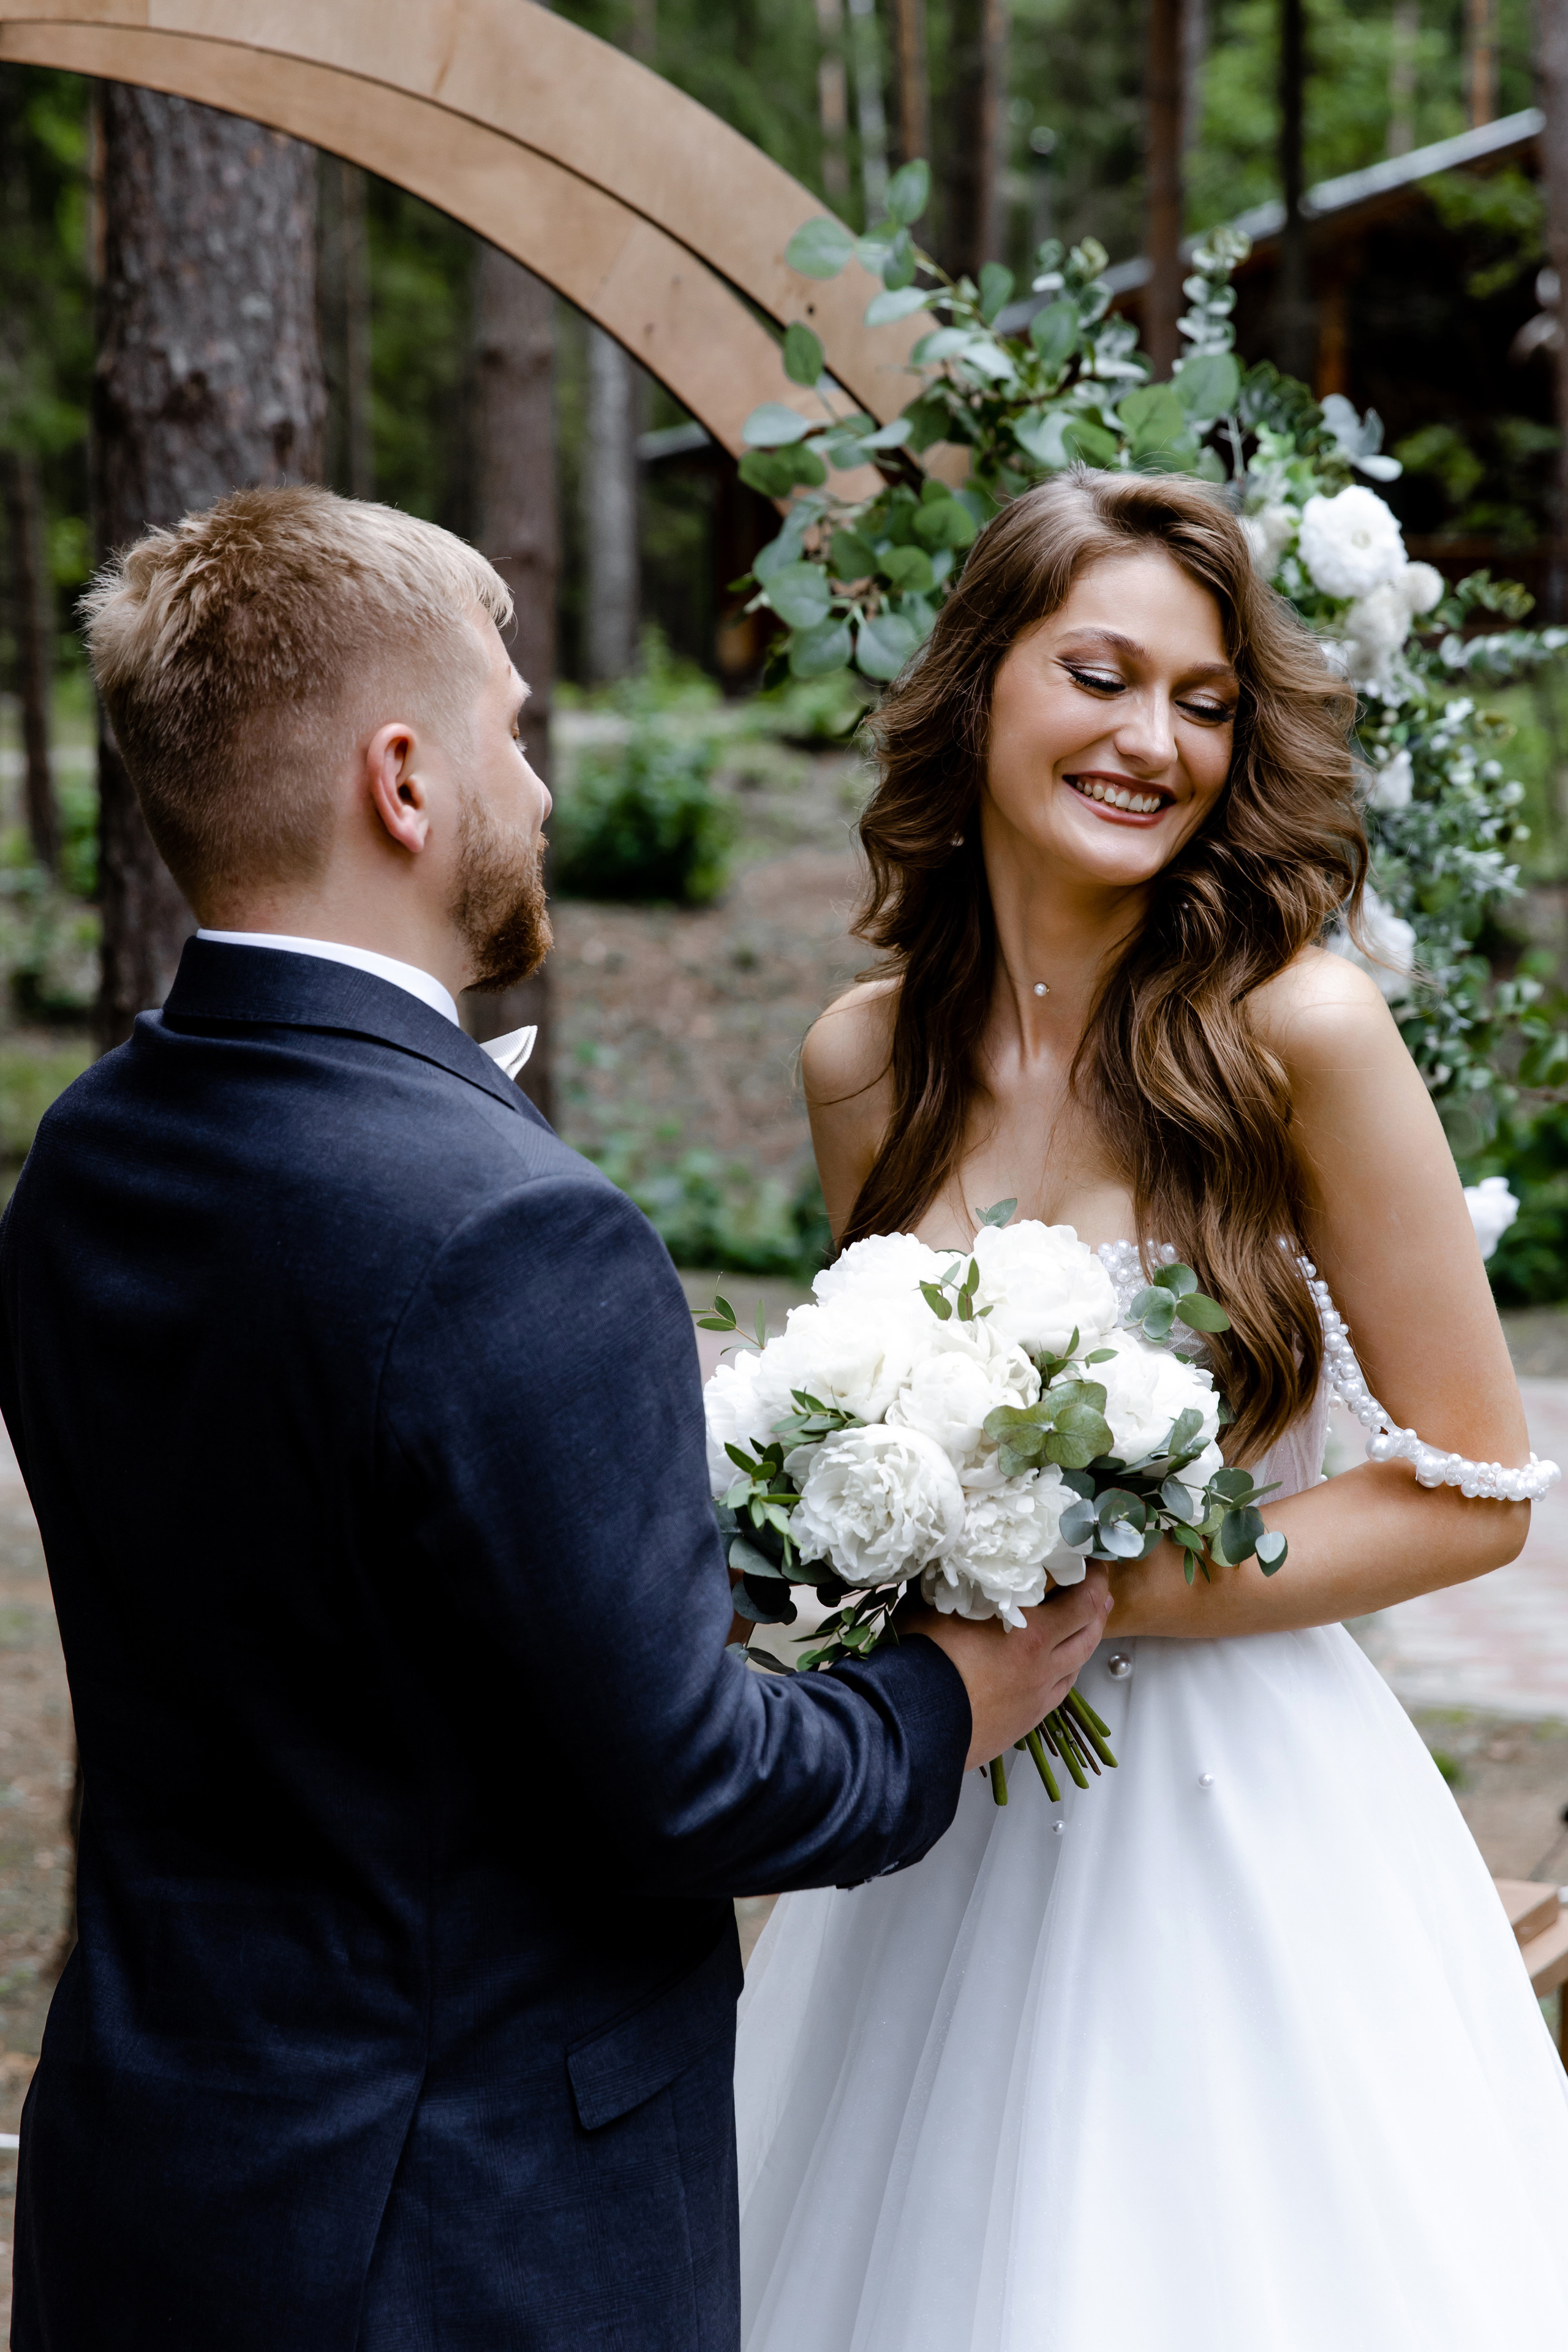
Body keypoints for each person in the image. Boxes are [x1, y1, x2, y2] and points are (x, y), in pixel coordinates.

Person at [0, 484, 1111, 2351]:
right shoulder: (515, 1229)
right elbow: (696, 1786)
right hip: (463, 2234)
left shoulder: (85, 1161)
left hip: (152, 2189)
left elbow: (326, 1611)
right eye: (512, 733)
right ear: (404, 782)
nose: (535, 787)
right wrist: (949, 1694)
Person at [733, 467, 1568, 2351]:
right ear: (978, 687)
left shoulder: (1299, 1033)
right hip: (957, 1809)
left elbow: (1476, 1487)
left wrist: (1115, 1590)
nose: (1154, 742)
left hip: (1238, 1811)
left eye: (1204, 703)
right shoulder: (864, 1062)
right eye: (1100, 676)